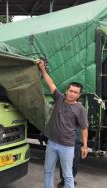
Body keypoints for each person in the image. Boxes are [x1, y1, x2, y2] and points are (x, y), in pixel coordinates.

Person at [38, 60, 88, 188]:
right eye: (71, 91)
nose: (72, 94)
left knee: (67, 175)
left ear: (79, 95)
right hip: (52, 143)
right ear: (66, 90)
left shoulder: (80, 109)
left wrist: (85, 146)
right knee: (48, 171)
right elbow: (50, 82)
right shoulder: (59, 98)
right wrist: (43, 69)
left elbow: (84, 128)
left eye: (75, 92)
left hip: (67, 146)